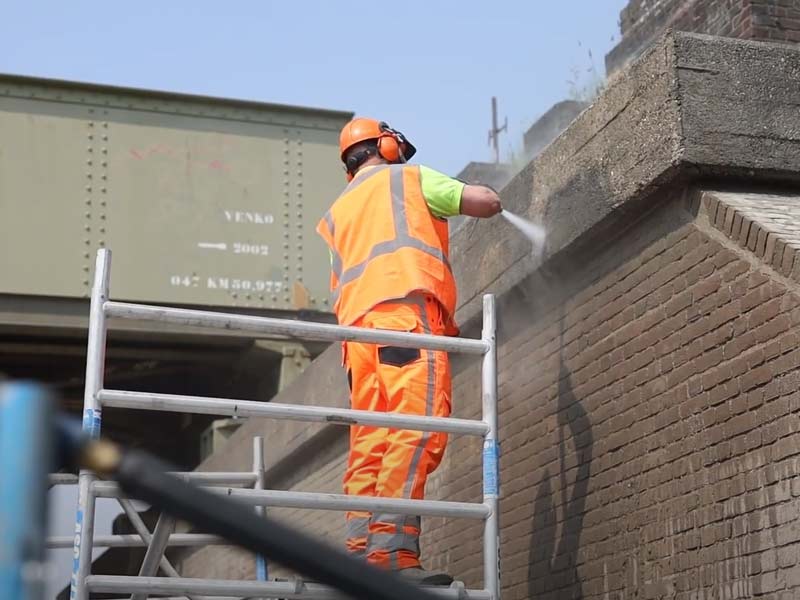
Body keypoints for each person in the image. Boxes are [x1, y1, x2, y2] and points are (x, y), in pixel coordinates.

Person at [316, 118, 502, 585]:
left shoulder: (339, 211)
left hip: (358, 341)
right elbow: (484, 203)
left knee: (371, 444)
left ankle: (359, 556)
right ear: (385, 145)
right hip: (405, 321)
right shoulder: (410, 179)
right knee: (419, 429)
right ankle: (391, 558)